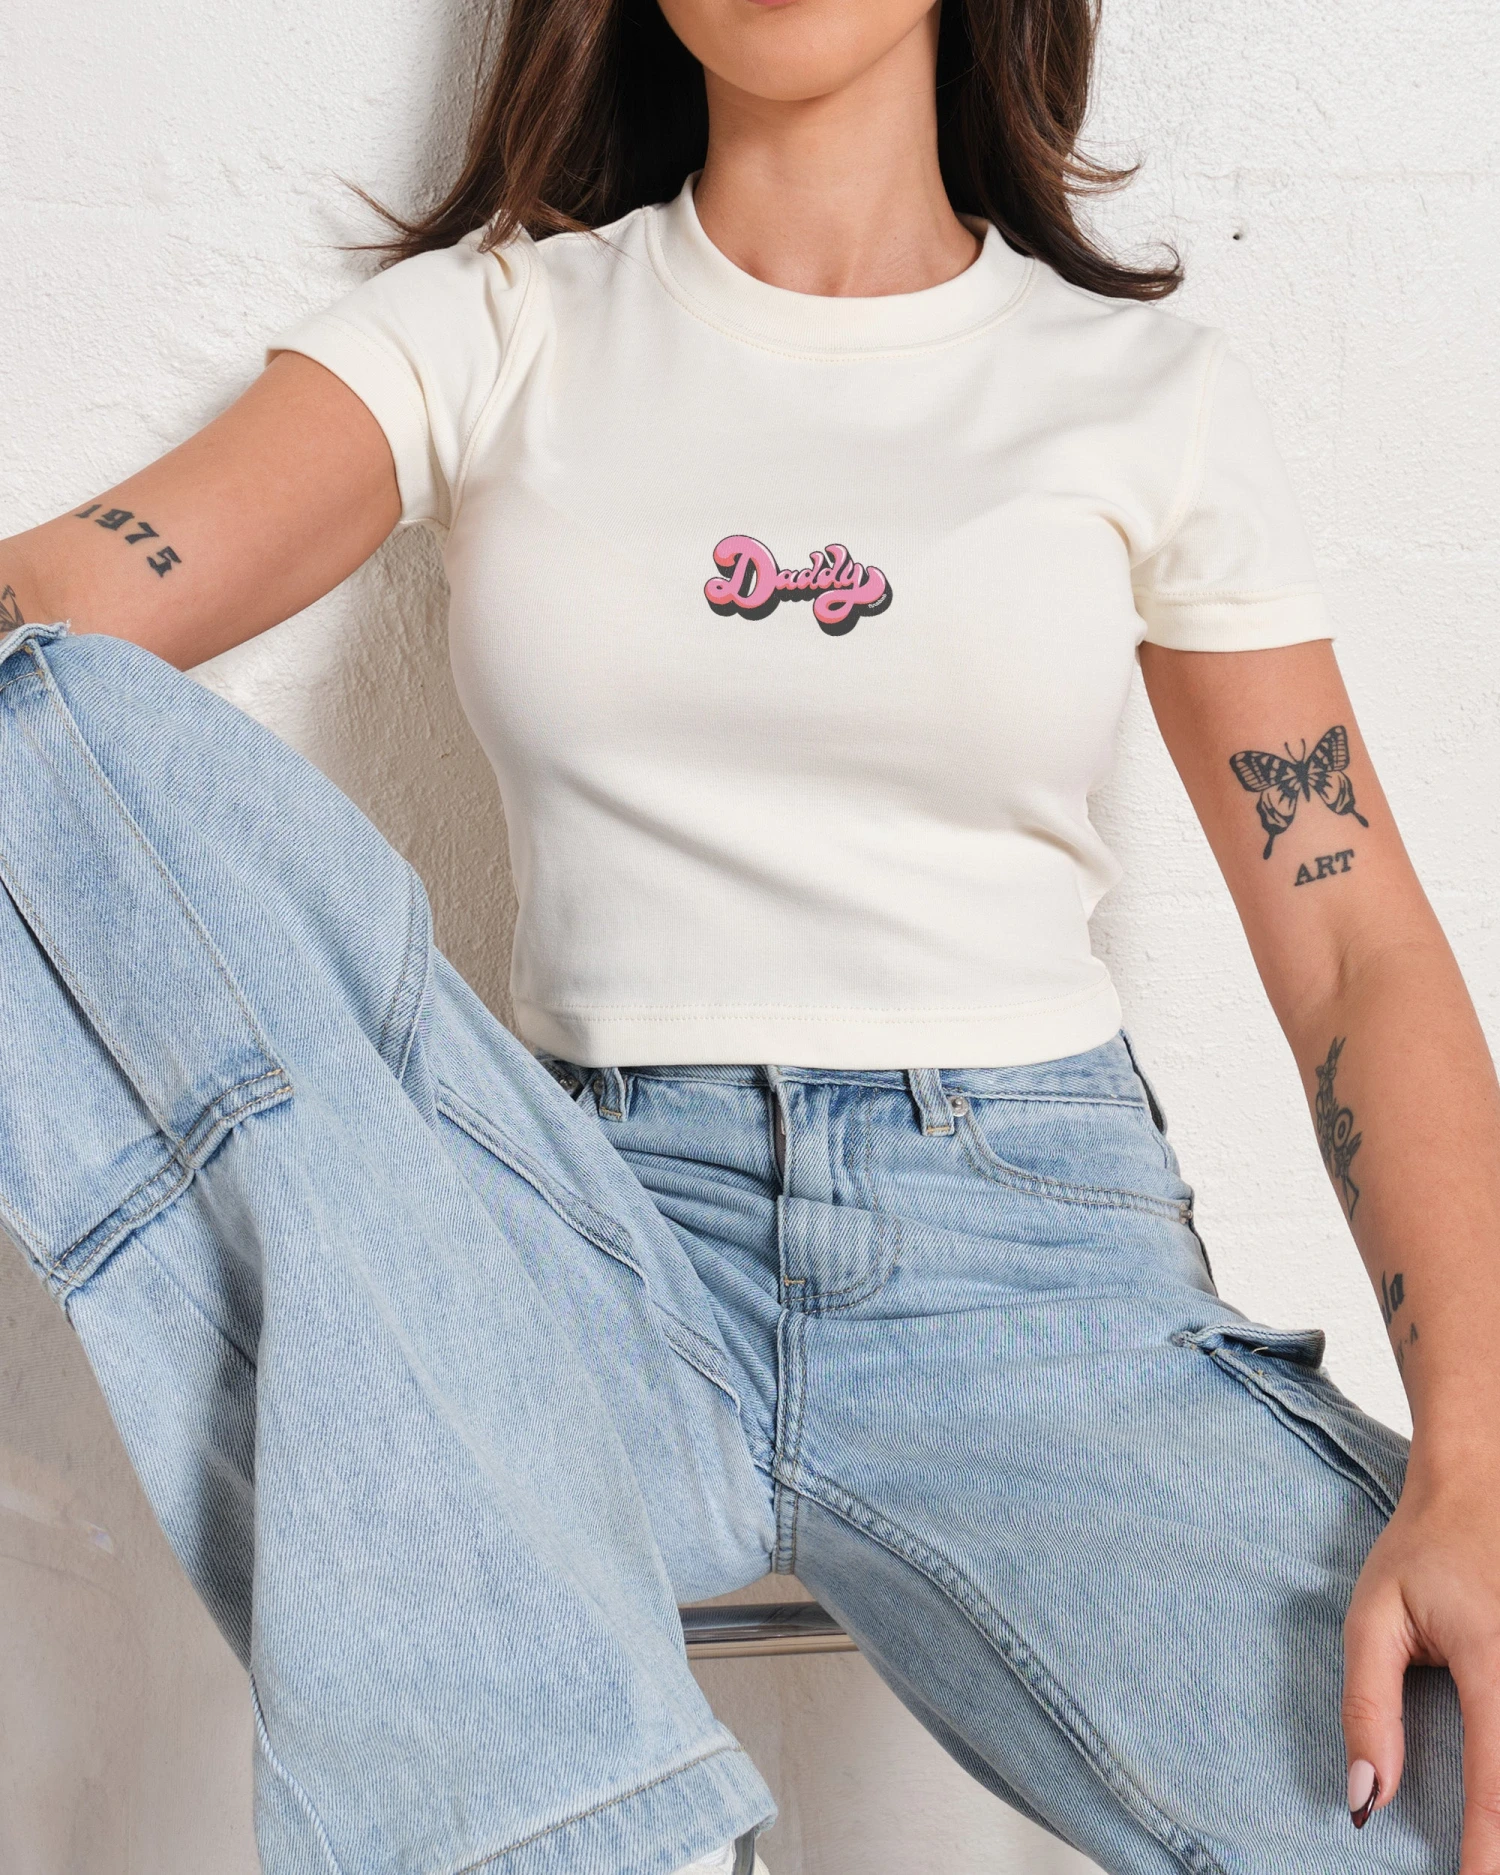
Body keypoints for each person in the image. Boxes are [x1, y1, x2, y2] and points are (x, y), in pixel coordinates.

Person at [1, 1, 1495, 1871]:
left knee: (1458, 1790)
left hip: (1032, 1289)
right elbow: (52, 632)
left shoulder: (1136, 392)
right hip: (582, 1254)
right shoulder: (499, 327)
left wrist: (1477, 1455)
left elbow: (1356, 948)